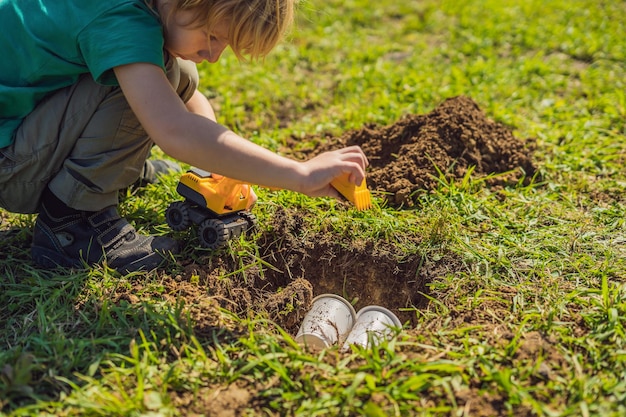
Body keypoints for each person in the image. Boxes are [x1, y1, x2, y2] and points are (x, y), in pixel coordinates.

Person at [0, 0, 368, 273]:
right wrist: (298, 174)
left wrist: (209, 170)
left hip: (19, 130)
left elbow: (190, 97)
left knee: (179, 73)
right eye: (213, 36)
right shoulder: (119, 19)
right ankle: (72, 224)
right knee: (148, 74)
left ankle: (109, 170)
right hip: (10, 166)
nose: (214, 55)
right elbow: (175, 129)